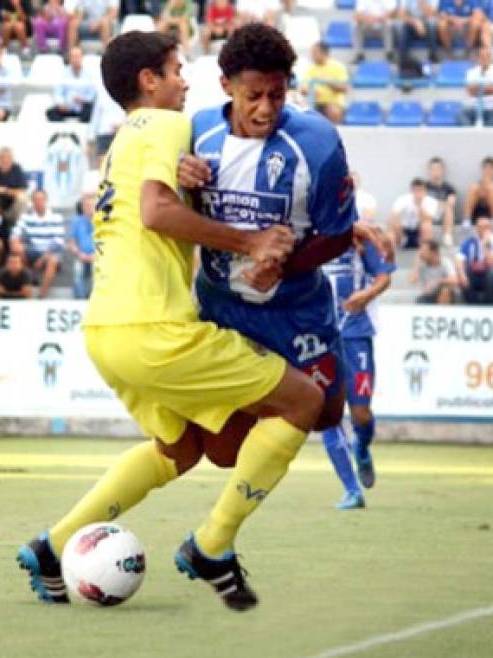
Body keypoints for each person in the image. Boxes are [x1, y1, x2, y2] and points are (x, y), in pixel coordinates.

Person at [17, 30, 319, 614]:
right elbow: (156, 212)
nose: (186, 81)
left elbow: (153, 200)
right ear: (148, 81)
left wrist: (192, 180)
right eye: (177, 70)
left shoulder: (122, 142)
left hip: (107, 330)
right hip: (155, 328)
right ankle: (213, 542)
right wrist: (251, 240)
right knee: (302, 401)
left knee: (179, 449)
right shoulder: (162, 123)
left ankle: (52, 547)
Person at [183, 23, 358, 459]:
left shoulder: (317, 143)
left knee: (328, 415)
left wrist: (287, 264)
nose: (266, 109)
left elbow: (338, 236)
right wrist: (179, 176)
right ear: (227, 86)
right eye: (253, 96)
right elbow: (167, 206)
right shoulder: (198, 132)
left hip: (296, 307)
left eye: (276, 96)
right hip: (224, 306)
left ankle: (279, 394)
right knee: (223, 453)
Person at [320, 234, 394, 509]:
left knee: (361, 413)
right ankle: (352, 490)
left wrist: (366, 294)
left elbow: (384, 277)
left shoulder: (359, 242)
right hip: (320, 337)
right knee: (326, 413)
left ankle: (361, 448)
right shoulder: (310, 236)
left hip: (355, 335)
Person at [10, 189, 65, 298]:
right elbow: (15, 234)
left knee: (53, 260)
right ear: (32, 202)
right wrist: (15, 242)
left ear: (46, 201)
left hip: (50, 252)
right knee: (17, 248)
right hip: (33, 250)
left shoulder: (56, 217)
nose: (38, 202)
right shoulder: (25, 217)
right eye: (35, 200)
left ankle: (41, 295)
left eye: (41, 199)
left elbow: (58, 242)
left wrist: (43, 258)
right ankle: (27, 283)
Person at [456, 215, 493, 304]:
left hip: (490, 272)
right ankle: (472, 304)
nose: (482, 229)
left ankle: (488, 304)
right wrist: (462, 274)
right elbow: (459, 258)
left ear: (490, 228)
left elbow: (492, 263)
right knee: (462, 274)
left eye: (485, 227)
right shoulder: (470, 241)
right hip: (474, 272)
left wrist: (485, 244)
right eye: (479, 227)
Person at [301, 42, 349, 125]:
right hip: (314, 103)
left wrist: (328, 82)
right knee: (301, 109)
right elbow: (303, 88)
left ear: (323, 53)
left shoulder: (337, 67)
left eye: (315, 52)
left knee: (333, 111)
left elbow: (344, 88)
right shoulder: (310, 68)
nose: (312, 55)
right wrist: (310, 91)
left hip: (333, 103)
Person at [47, 47, 98, 122]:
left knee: (91, 112)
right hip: (67, 107)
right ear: (70, 58)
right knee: (51, 113)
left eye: (78, 57)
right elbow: (57, 92)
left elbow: (92, 93)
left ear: (82, 58)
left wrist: (83, 100)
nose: (76, 59)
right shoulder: (63, 73)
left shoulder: (89, 74)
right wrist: (61, 103)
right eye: (73, 57)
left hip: (83, 106)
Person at [461, 45, 493, 127]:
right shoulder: (471, 72)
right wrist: (490, 88)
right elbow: (470, 91)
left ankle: (484, 135)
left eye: (487, 56)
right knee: (460, 115)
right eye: (482, 57)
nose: (485, 59)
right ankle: (472, 135)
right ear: (478, 58)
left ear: (491, 58)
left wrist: (479, 88)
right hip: (474, 106)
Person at [389, 178, 439, 250]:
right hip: (403, 230)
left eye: (420, 190)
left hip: (419, 230)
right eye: (416, 190)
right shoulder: (402, 200)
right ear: (412, 191)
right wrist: (400, 232)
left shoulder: (431, 202)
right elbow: (394, 216)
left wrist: (419, 205)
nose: (418, 193)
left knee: (427, 226)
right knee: (391, 231)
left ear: (425, 191)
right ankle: (396, 251)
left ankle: (425, 250)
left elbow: (428, 219)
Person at [392, 0, 439, 65]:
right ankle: (402, 56)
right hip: (411, 23)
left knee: (431, 22)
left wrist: (422, 3)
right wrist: (415, 22)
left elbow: (432, 14)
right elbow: (401, 15)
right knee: (400, 25)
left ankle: (433, 54)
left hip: (426, 24)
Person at [68, 193, 95, 299]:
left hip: (97, 257)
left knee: (97, 271)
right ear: (82, 207)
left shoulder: (103, 221)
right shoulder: (77, 221)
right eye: (86, 206)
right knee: (77, 271)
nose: (89, 208)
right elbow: (71, 242)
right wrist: (79, 253)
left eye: (91, 205)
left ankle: (94, 300)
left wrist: (96, 255)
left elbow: (107, 243)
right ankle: (80, 300)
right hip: (81, 255)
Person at [412, 238, 457, 303]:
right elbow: (412, 281)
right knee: (420, 300)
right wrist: (416, 265)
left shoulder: (445, 262)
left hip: (442, 293)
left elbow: (455, 280)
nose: (421, 253)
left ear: (434, 252)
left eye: (424, 251)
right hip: (428, 295)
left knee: (445, 290)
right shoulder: (421, 264)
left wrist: (437, 281)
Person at [425, 157, 457, 247]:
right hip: (428, 215)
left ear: (442, 170)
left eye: (438, 169)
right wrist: (440, 204)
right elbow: (420, 203)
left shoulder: (449, 188)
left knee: (448, 208)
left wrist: (438, 205)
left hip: (442, 214)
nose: (436, 171)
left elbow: (451, 202)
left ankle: (447, 236)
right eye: (433, 169)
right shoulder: (424, 187)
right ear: (429, 170)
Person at [462, 155, 493, 228]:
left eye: (491, 168)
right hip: (477, 214)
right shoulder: (476, 185)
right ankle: (467, 220)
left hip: (492, 215)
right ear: (482, 169)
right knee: (474, 188)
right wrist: (481, 196)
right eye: (485, 168)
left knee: (491, 188)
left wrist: (488, 196)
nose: (488, 171)